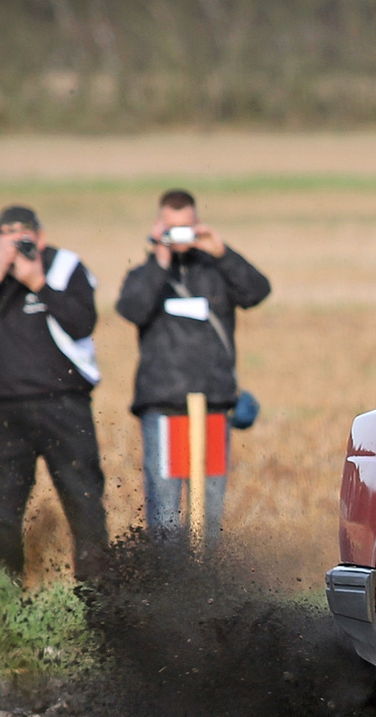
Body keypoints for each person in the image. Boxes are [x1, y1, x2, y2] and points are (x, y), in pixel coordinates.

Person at [0, 204, 108, 582]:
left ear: (40, 236)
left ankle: (99, 600)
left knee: (85, 505)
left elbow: (82, 322)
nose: (17, 240)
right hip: (7, 411)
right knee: (4, 510)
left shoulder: (66, 266)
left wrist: (38, 282)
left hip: (65, 406)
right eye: (7, 233)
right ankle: (5, 597)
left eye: (24, 233)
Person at [115, 189, 271, 546]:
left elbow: (257, 292)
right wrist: (160, 258)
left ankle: (207, 581)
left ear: (198, 225)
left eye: (187, 227)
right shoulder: (145, 275)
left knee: (209, 514)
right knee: (165, 514)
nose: (180, 235)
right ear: (158, 228)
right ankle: (168, 585)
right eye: (172, 228)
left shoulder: (216, 272)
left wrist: (222, 252)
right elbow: (132, 309)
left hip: (214, 405)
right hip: (164, 406)